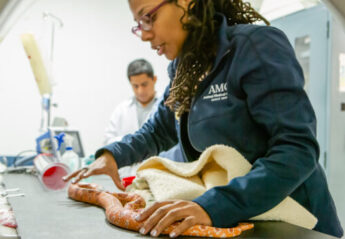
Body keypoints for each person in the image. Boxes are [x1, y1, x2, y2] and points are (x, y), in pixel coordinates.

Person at [64, 0, 344, 238]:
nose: (144, 35)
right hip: (238, 217)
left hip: (292, 223)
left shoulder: (253, 47)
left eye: (148, 17)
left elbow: (297, 150)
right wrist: (112, 156)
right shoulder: (183, 68)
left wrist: (213, 205)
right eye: (139, 24)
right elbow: (159, 129)